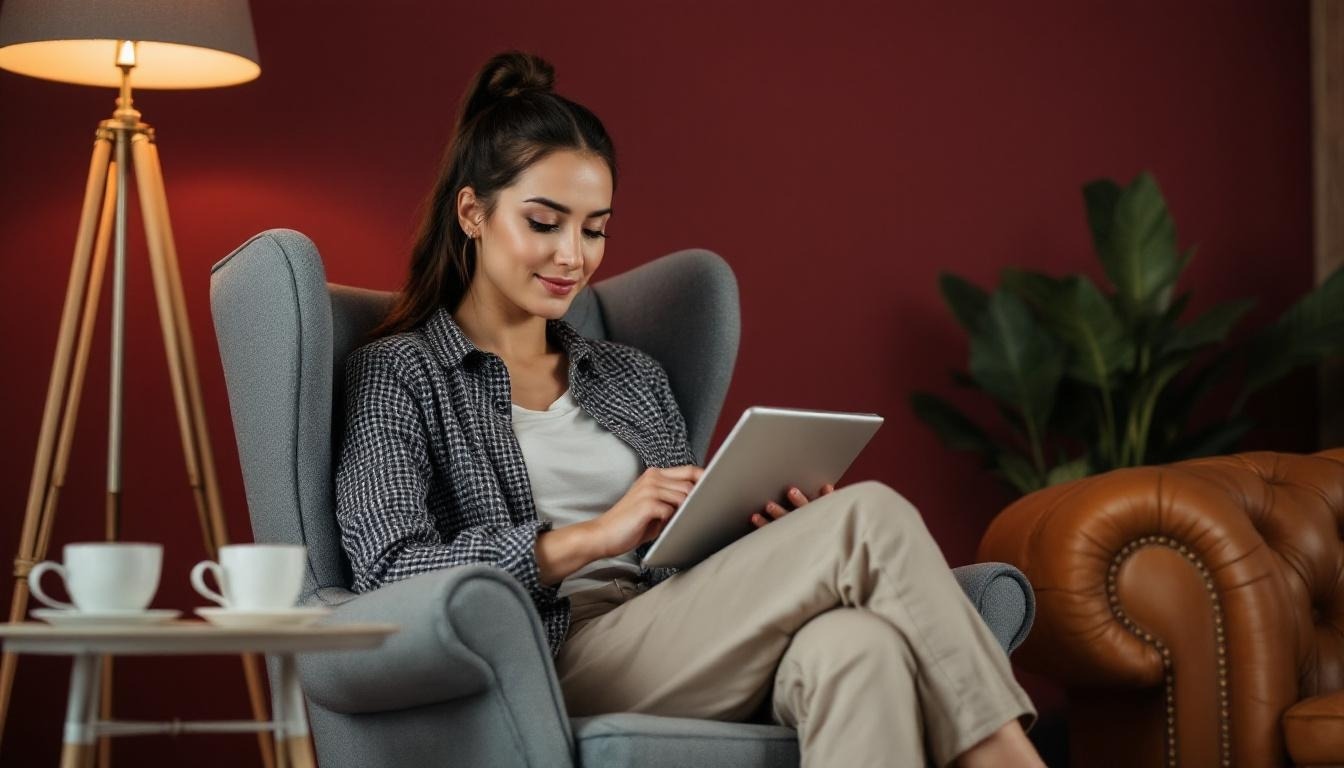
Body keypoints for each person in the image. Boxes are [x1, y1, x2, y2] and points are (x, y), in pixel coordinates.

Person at [334, 49, 1043, 767]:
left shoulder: (631, 376)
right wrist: (596, 536)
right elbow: (389, 571)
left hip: (669, 633)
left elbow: (681, 562)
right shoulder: (401, 373)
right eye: (545, 222)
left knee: (859, 649)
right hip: (543, 655)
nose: (573, 256)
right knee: (870, 515)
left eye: (594, 228)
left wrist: (772, 535)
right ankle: (1004, 755)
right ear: (472, 214)